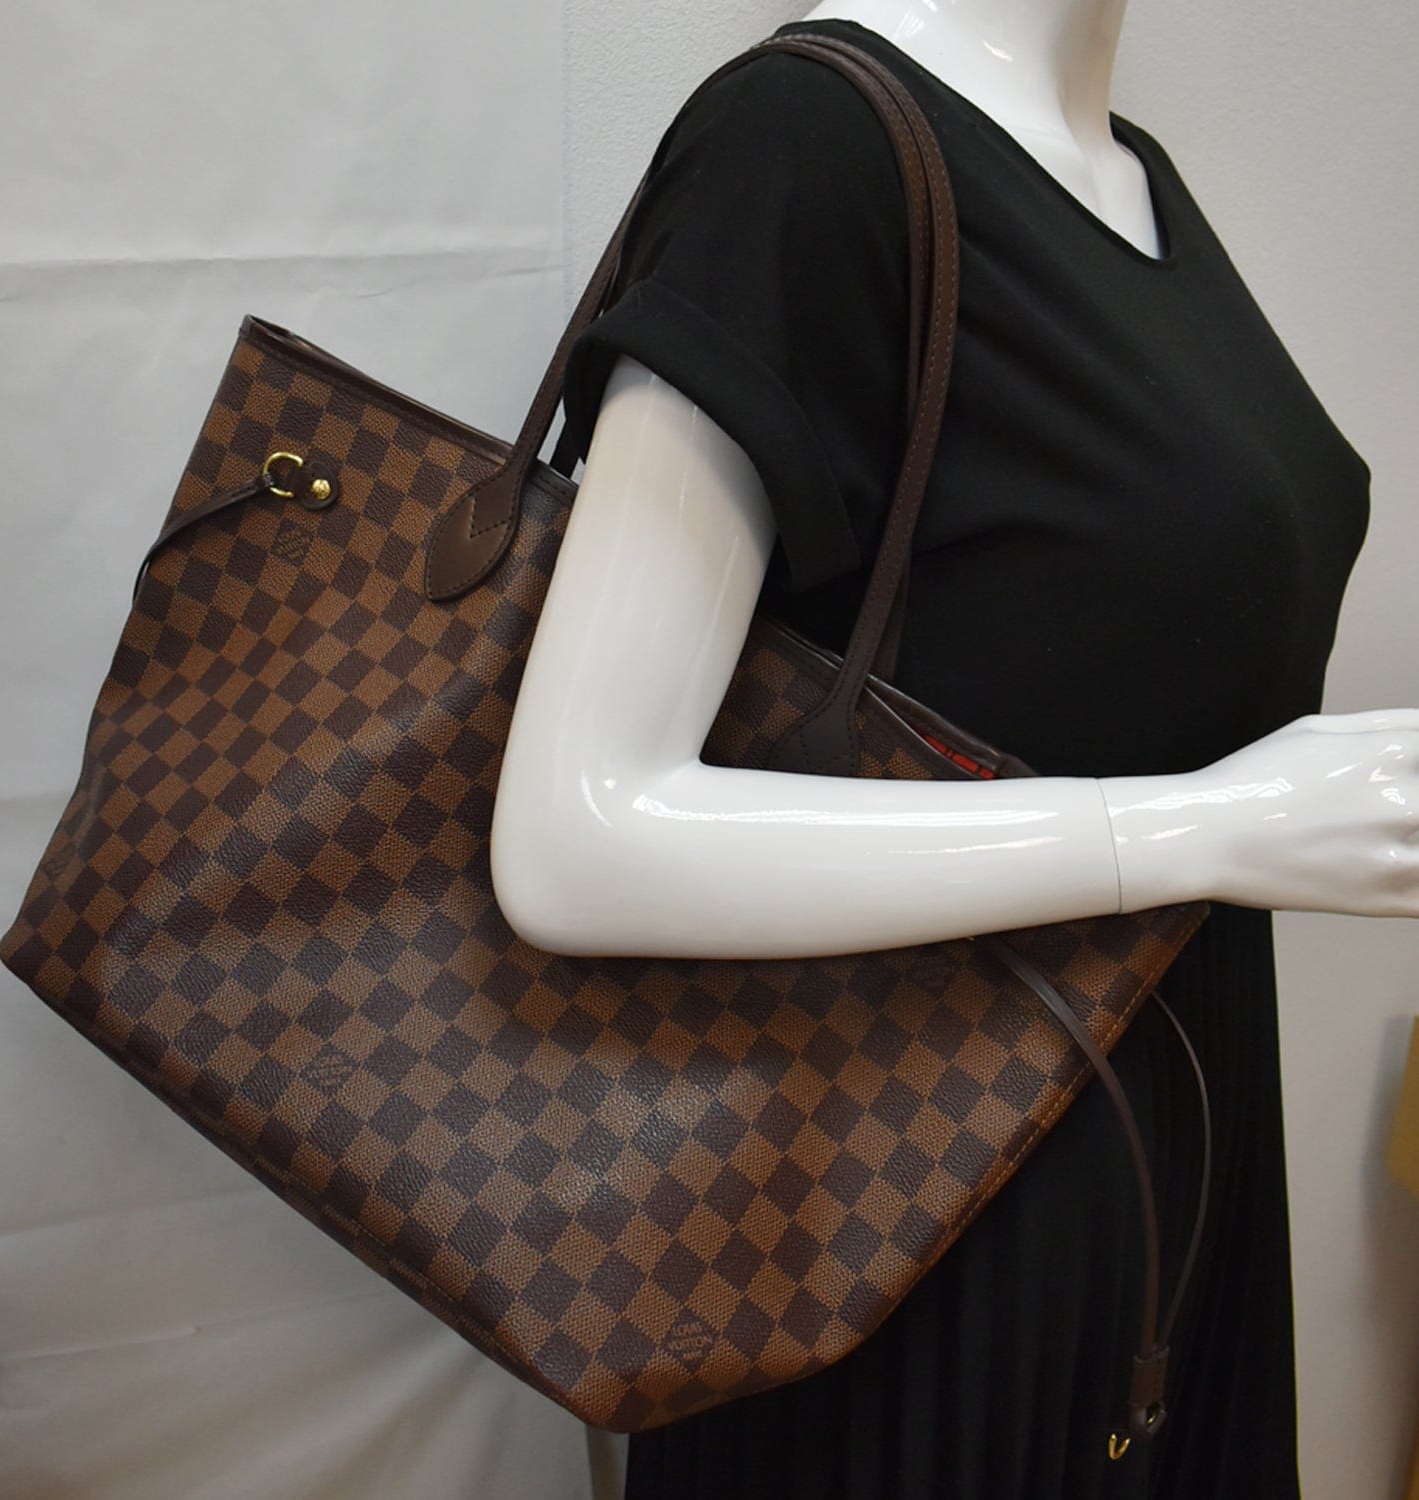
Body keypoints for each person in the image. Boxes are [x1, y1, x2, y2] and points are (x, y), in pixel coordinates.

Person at [491, 2, 1415, 1494]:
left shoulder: (1129, 176)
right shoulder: (809, 141)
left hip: (1172, 1177)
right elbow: (571, 839)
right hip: (908, 1242)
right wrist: (1199, 829)